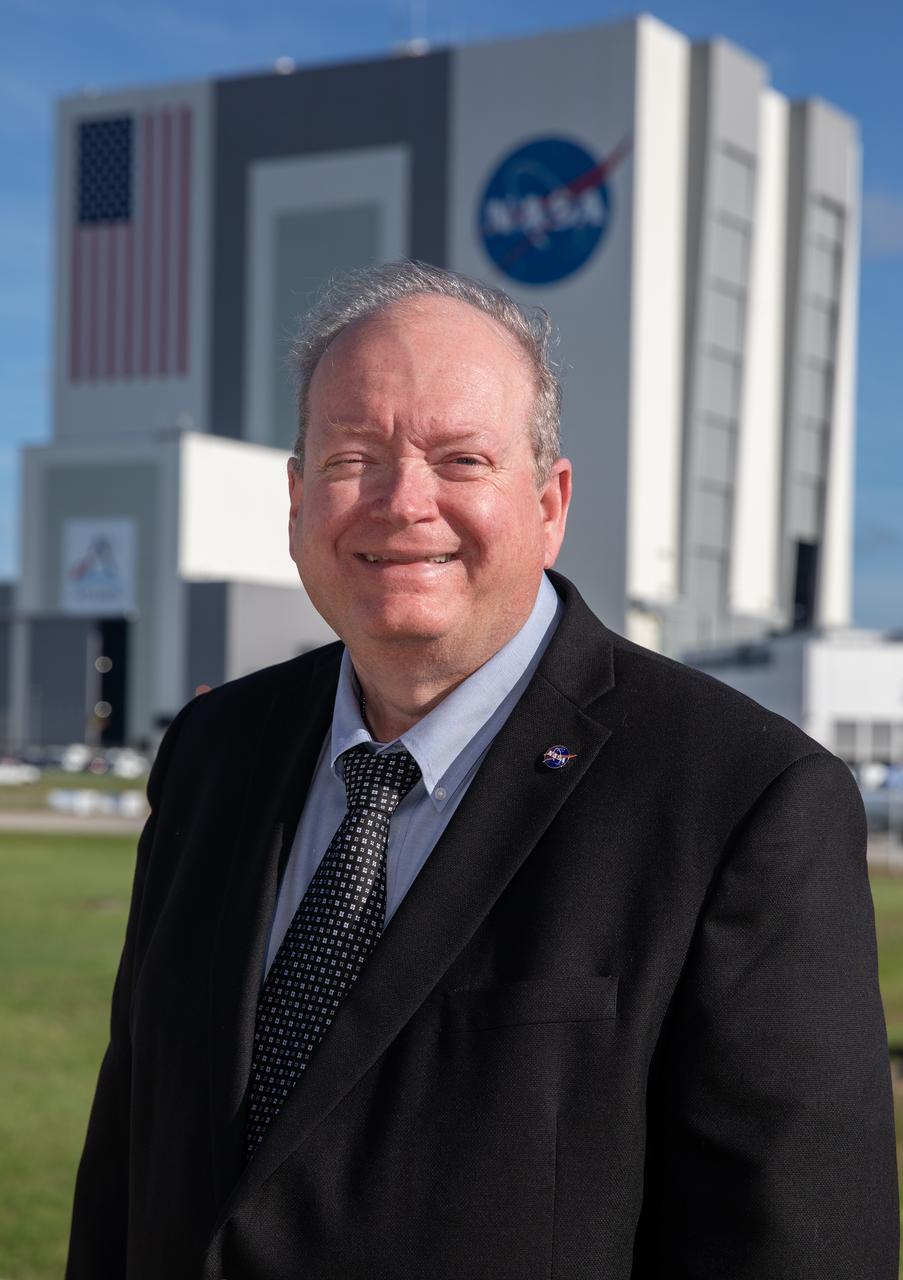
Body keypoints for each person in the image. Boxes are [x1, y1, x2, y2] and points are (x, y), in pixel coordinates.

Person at [67, 261, 898, 1279]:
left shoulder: (742, 799)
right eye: (352, 457)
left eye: (460, 459)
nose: (402, 503)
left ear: (548, 503)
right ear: (296, 500)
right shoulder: (211, 753)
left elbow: (795, 1243)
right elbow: (127, 1152)